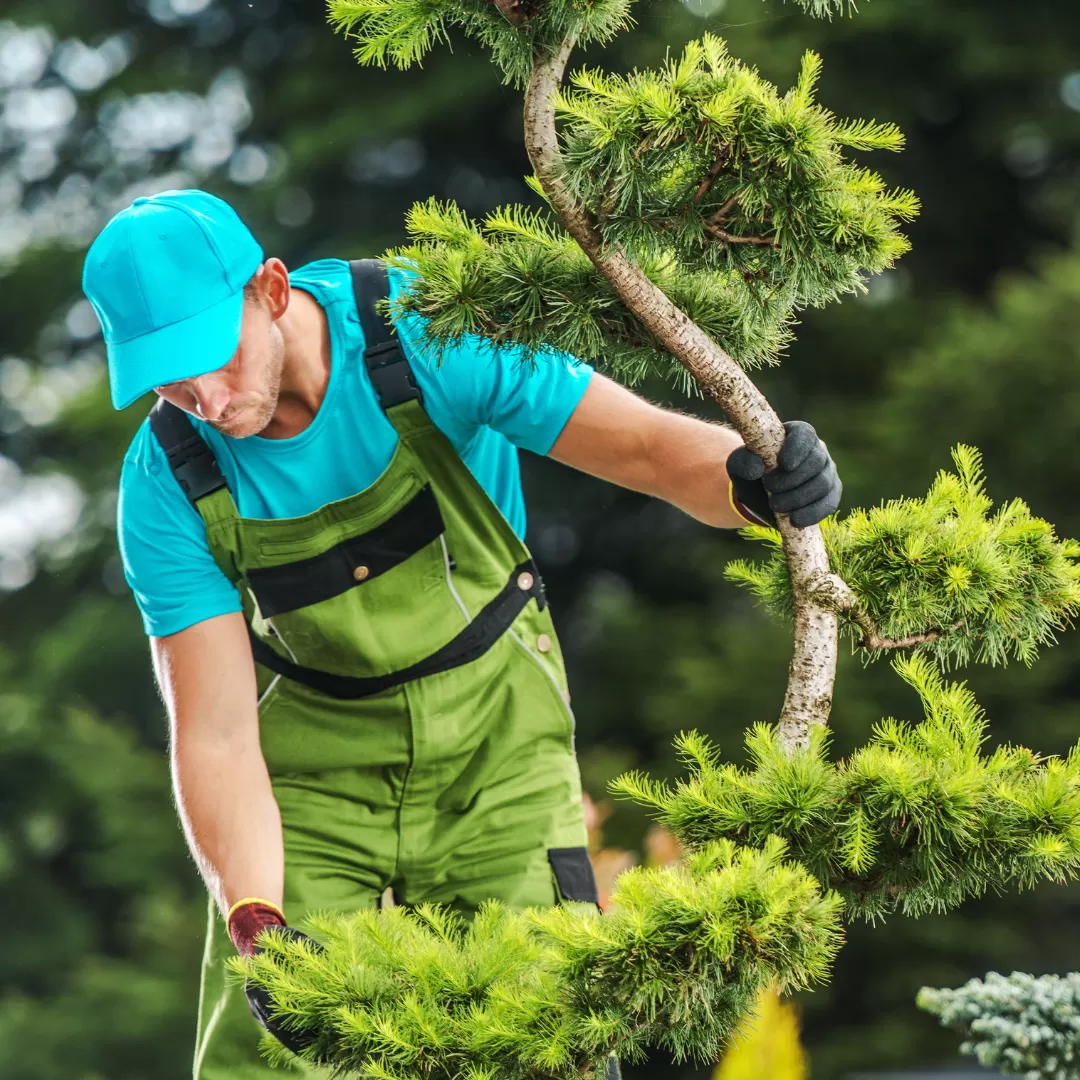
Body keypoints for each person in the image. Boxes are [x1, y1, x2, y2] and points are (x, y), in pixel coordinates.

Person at [82, 188, 842, 1078]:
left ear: (273, 291)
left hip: (498, 753)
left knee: (546, 1033)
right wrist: (257, 923)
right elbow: (213, 733)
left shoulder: (427, 328)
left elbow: (642, 449)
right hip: (315, 791)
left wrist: (752, 481)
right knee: (274, 1049)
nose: (203, 397)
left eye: (212, 357)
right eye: (170, 380)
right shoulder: (167, 481)